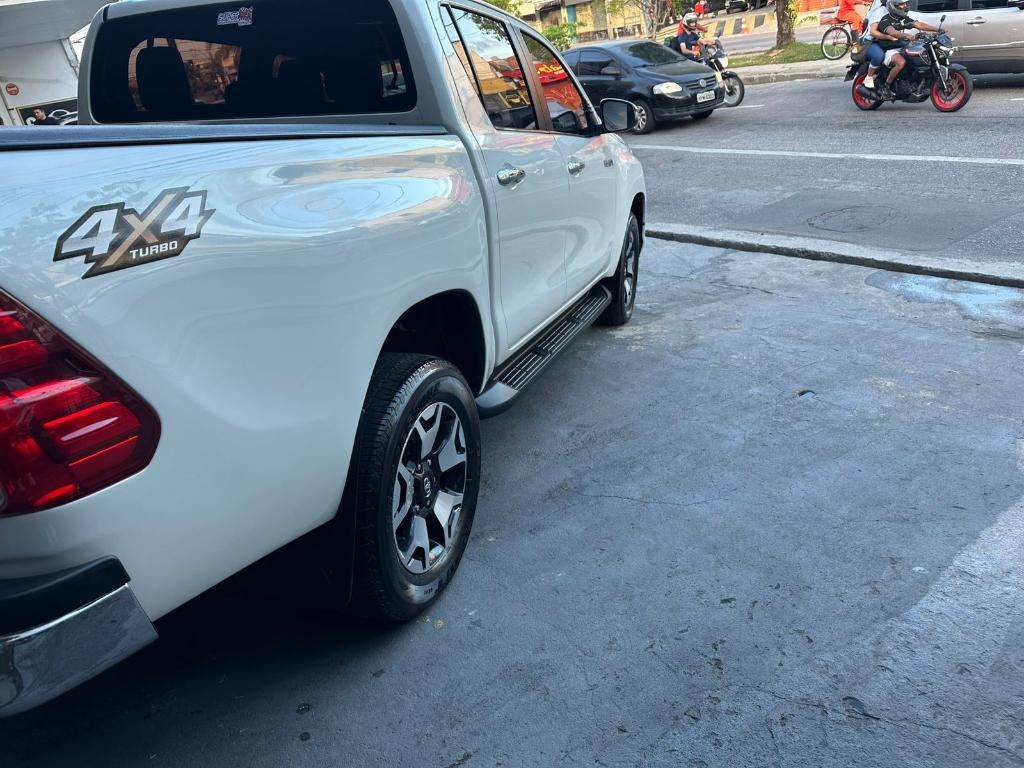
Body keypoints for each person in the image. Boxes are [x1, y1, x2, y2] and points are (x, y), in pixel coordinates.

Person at [874, 0, 939, 99]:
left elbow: (919, 24)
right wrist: (909, 36)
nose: (905, 6)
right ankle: (886, 87)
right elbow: (893, 33)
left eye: (906, 4)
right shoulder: (885, 20)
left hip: (902, 47)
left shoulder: (903, 18)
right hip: (889, 49)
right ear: (893, 6)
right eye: (901, 4)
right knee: (900, 62)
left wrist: (938, 29)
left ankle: (915, 83)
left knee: (919, 55)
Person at [861, 1, 890, 90]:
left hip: (884, 41)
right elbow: (873, 32)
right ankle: (869, 77)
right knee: (878, 56)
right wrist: (889, 37)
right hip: (871, 42)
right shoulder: (881, 11)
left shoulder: (897, 11)